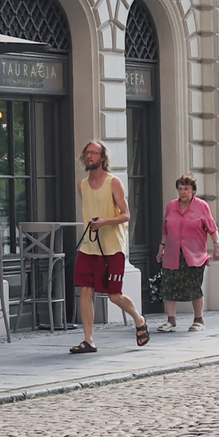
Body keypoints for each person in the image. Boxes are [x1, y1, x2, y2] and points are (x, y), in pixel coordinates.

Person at [71, 140, 149, 353]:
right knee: (85, 291)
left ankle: (139, 319)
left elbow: (126, 215)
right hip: (88, 246)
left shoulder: (113, 182)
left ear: (103, 158)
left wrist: (104, 222)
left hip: (112, 247)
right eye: (87, 153)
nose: (89, 156)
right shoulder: (83, 185)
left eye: (94, 153)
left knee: (114, 295)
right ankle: (89, 339)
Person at [156, 175, 219, 331]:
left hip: (194, 254)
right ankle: (171, 321)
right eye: (180, 189)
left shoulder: (202, 206)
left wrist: (217, 247)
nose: (183, 192)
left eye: (186, 189)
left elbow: (212, 229)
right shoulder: (171, 206)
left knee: (194, 286)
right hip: (173, 253)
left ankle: (198, 320)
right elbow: (165, 230)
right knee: (169, 286)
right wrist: (161, 249)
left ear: (193, 191)